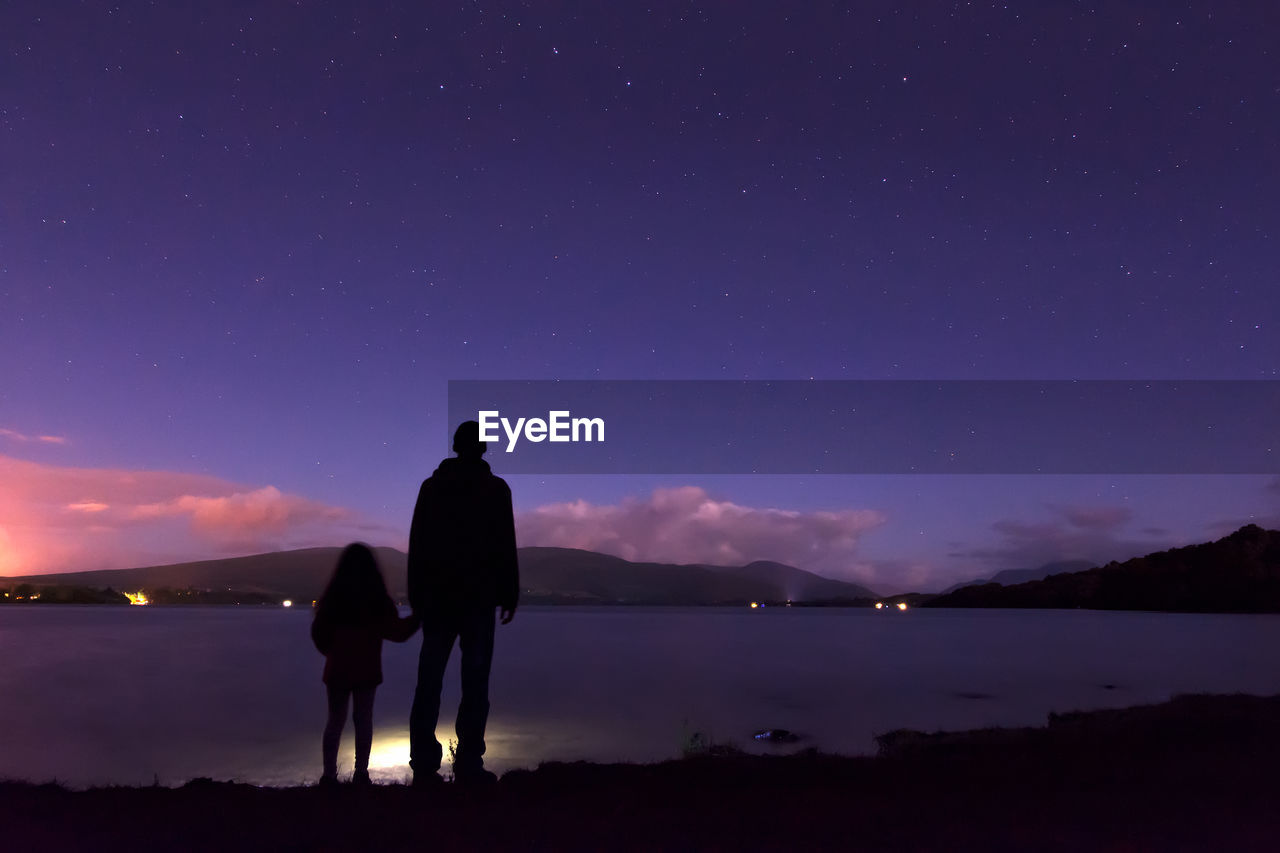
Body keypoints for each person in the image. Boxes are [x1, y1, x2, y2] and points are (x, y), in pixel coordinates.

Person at [408, 420, 519, 785]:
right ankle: (469, 761)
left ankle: (425, 764)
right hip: (478, 599)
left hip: (439, 598)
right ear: (483, 448)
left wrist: (417, 595)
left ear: (456, 445)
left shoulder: (433, 487)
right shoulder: (496, 489)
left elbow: (418, 543)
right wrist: (509, 591)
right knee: (474, 683)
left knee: (430, 681)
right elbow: (505, 544)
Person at [311, 542, 420, 785]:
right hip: (367, 669)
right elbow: (398, 632)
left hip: (337, 669)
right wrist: (419, 617)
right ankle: (361, 774)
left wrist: (331, 653)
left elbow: (318, 633)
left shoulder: (333, 600)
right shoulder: (377, 601)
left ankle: (329, 776)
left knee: (335, 720)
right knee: (363, 720)